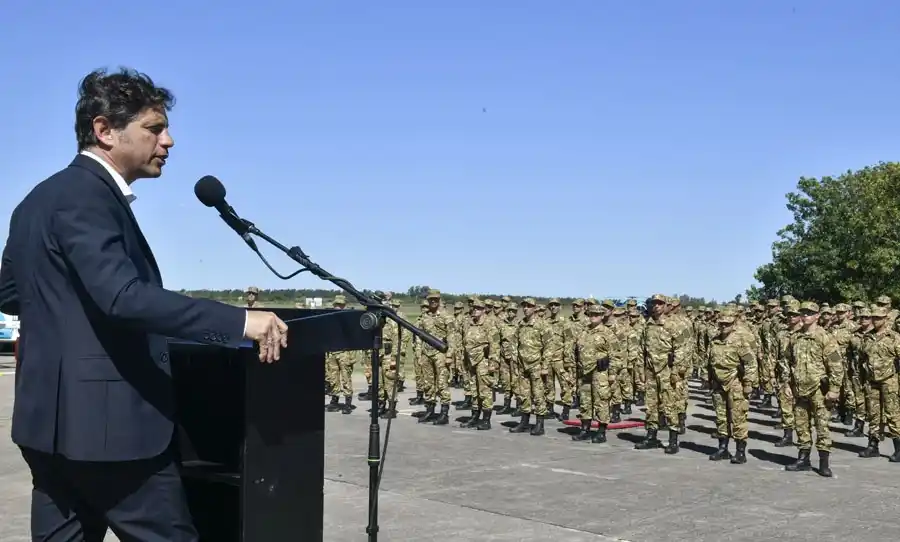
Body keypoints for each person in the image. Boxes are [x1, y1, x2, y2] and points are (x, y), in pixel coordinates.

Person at [0, 67, 289, 542]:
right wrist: (240, 321)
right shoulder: (87, 198)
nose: (168, 140)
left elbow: (14, 293)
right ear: (104, 131)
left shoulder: (37, 200)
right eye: (154, 128)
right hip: (110, 434)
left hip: (45, 429)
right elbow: (121, 296)